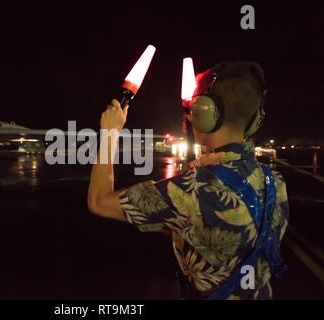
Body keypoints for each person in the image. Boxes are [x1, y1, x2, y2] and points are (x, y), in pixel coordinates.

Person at [87, 61, 289, 300]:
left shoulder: (193, 190)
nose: (190, 115)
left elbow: (98, 201)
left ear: (206, 111)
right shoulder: (274, 181)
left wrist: (110, 133)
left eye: (194, 107)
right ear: (255, 119)